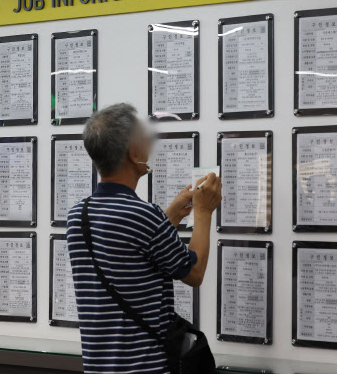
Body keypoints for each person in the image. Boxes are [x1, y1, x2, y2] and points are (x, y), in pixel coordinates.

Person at [66, 103, 222, 374]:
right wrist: (205, 212)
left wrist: (170, 215)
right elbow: (193, 273)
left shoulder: (77, 215)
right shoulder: (144, 215)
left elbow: (132, 251)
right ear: (134, 152)